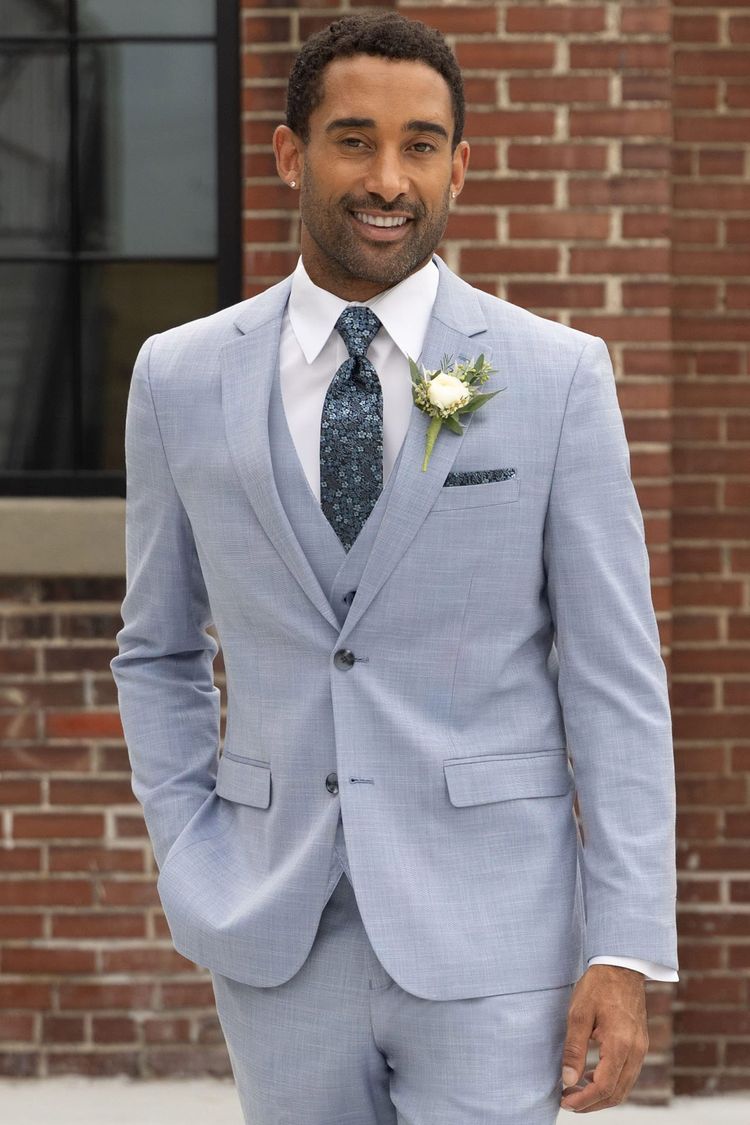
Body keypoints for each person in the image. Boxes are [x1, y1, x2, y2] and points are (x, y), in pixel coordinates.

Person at [111, 11, 678, 1124]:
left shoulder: (557, 377)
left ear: (459, 168)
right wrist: (189, 846)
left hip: (496, 932)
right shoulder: (177, 378)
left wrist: (623, 945)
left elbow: (615, 678)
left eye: (420, 145)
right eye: (354, 139)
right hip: (276, 926)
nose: (388, 177)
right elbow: (159, 647)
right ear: (290, 154)